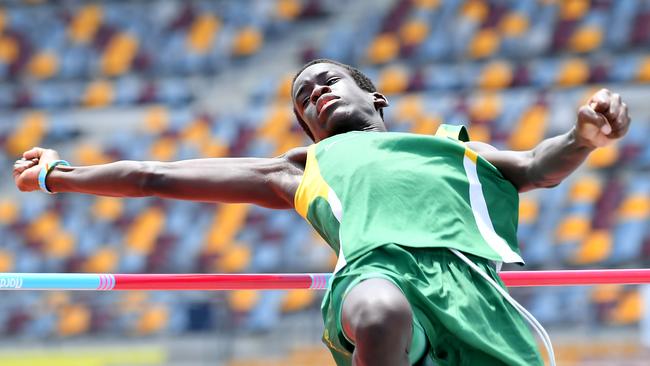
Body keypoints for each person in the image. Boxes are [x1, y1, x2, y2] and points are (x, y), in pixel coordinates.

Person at [13, 59, 630, 366]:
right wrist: (57, 176)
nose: (315, 93)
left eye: (327, 81)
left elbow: (540, 167)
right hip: (379, 283)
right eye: (303, 98)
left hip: (476, 298)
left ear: (376, 95)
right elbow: (153, 177)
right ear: (305, 127)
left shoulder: (456, 146)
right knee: (379, 308)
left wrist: (583, 139)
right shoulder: (300, 168)